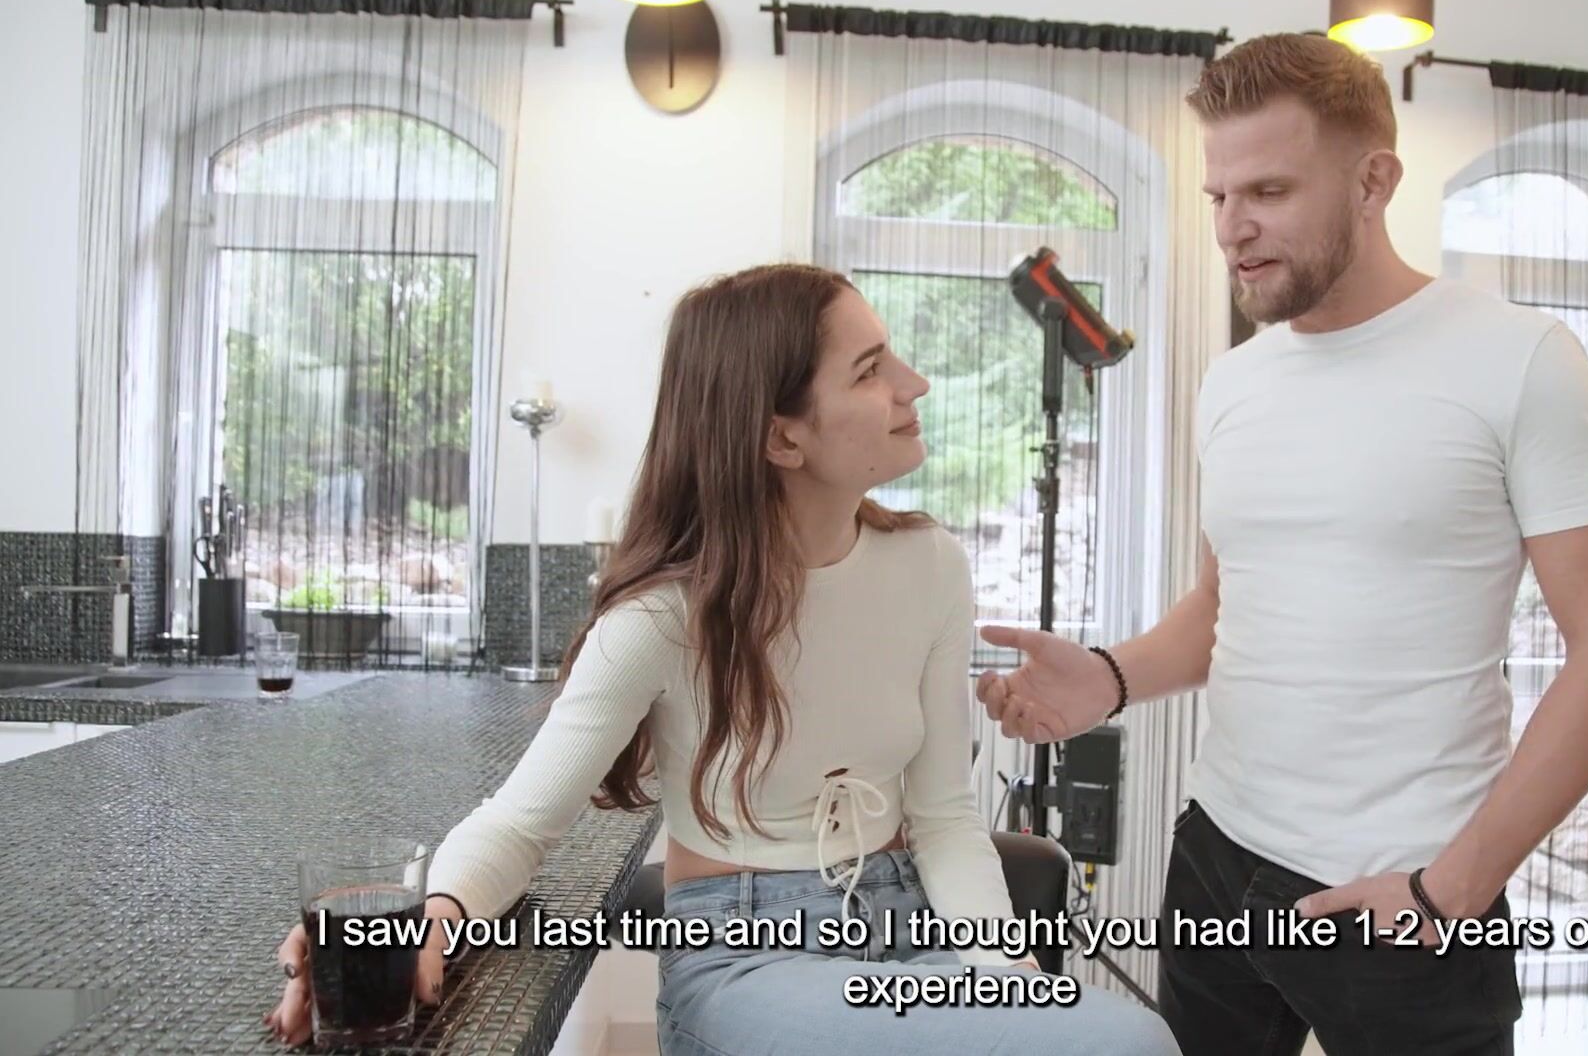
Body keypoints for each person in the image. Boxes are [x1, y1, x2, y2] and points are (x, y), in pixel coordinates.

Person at [263, 263, 1178, 1055]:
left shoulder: (928, 565)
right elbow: (521, 822)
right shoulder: (662, 618)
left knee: (1115, 1038)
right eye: (870, 370)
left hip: (912, 933)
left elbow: (942, 817)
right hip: (747, 958)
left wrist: (1003, 976)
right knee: (1122, 1045)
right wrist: (431, 920)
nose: (916, 383)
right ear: (781, 437)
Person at [977, 33, 1588, 1055]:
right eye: (1219, 196)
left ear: (1373, 181)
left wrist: (1455, 887)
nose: (1233, 226)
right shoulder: (1236, 382)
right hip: (1217, 856)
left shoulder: (1521, 359)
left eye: (1269, 190)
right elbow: (1225, 609)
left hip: (1407, 894)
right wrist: (1109, 679)